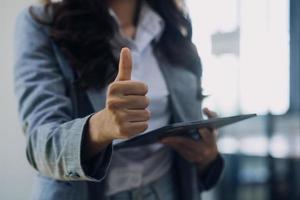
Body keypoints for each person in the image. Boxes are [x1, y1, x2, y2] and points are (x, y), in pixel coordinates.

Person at [14, 0, 224, 199]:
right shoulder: (41, 24)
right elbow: (40, 145)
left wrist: (207, 157)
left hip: (168, 190)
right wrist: (101, 127)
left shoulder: (172, 25)